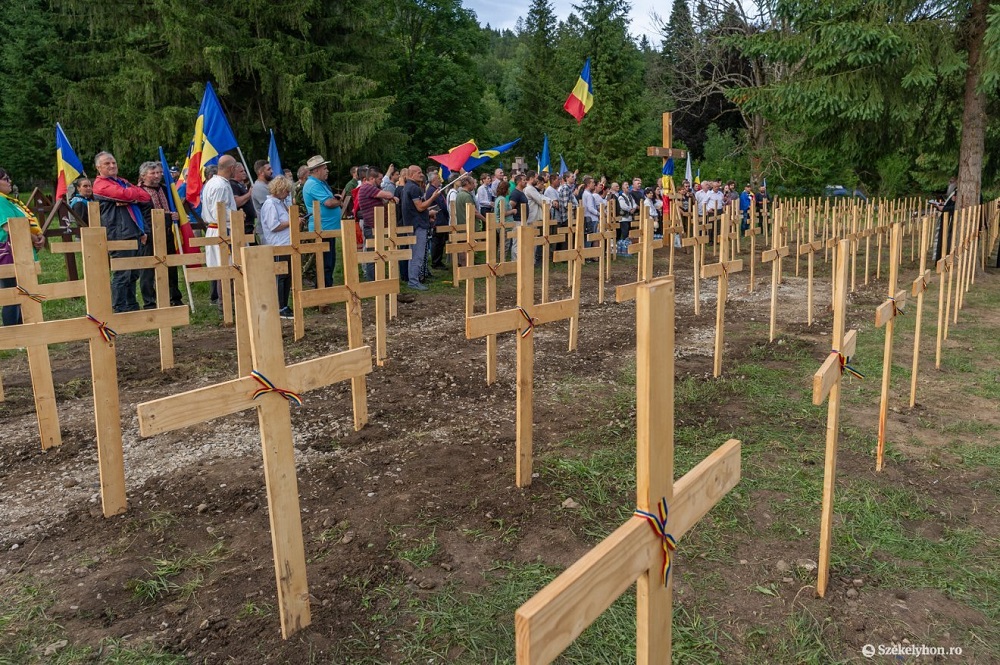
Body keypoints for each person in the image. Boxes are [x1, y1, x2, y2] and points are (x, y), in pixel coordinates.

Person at [92, 151, 151, 313]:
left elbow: (145, 196)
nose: (112, 166)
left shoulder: (121, 181)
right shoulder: (100, 185)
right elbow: (125, 194)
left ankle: (131, 306)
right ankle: (119, 308)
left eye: (114, 163)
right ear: (98, 168)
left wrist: (129, 198)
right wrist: (130, 197)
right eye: (107, 164)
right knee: (122, 273)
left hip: (134, 231)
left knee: (133, 272)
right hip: (119, 234)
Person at [0, 167, 46, 325]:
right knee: (13, 293)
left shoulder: (7, 200)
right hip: (10, 253)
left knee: (23, 291)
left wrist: (39, 236)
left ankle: (25, 326)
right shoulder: (0, 201)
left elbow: (25, 223)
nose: (9, 181)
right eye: (6, 179)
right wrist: (34, 238)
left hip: (21, 251)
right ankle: (14, 332)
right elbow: (9, 226)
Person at [136, 161, 184, 307]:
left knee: (170, 266)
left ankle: (174, 297)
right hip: (149, 235)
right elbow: (143, 215)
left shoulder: (165, 189)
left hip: (168, 233)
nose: (157, 176)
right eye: (153, 173)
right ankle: (149, 302)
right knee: (148, 269)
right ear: (144, 175)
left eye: (159, 172)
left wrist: (175, 216)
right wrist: (168, 216)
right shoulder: (139, 192)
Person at [200, 155, 238, 306]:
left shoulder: (215, 183)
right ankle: (226, 305)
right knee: (226, 268)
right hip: (221, 230)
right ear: (231, 168)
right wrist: (237, 215)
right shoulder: (220, 186)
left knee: (226, 267)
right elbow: (219, 212)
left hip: (219, 229)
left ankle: (228, 303)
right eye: (235, 167)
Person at [301, 155, 343, 288]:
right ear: (317, 170)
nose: (327, 170)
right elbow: (329, 203)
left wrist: (336, 199)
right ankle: (323, 292)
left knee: (329, 262)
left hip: (327, 229)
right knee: (324, 264)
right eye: (325, 168)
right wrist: (340, 201)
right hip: (322, 230)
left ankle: (326, 290)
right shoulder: (313, 184)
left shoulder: (320, 183)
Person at [402, 165, 443, 290]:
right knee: (417, 255)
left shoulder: (407, 187)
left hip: (413, 223)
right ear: (412, 174)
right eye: (419, 172)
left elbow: (416, 208)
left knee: (413, 254)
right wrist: (433, 198)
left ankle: (413, 279)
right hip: (418, 226)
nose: (421, 175)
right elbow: (420, 207)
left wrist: (428, 212)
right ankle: (414, 281)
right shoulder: (414, 188)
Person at [259, 176, 295, 318]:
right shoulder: (270, 204)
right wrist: (292, 221)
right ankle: (279, 306)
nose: (287, 194)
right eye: (286, 191)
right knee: (281, 276)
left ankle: (284, 304)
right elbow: (274, 226)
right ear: (279, 190)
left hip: (286, 243)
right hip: (278, 244)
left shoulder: (279, 203)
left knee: (287, 276)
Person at [356, 168, 397, 281]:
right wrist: (392, 197)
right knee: (373, 255)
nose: (381, 181)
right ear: (371, 178)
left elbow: (384, 199)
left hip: (376, 226)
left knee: (377, 253)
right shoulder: (367, 187)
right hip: (372, 226)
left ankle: (377, 278)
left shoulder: (371, 188)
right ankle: (372, 280)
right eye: (379, 179)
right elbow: (388, 194)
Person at [508, 173, 529, 259]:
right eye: (524, 180)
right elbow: (511, 206)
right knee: (517, 242)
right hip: (517, 221)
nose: (526, 182)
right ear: (519, 182)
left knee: (522, 242)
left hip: (523, 220)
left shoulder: (521, 192)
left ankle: (521, 261)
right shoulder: (515, 193)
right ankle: (515, 262)